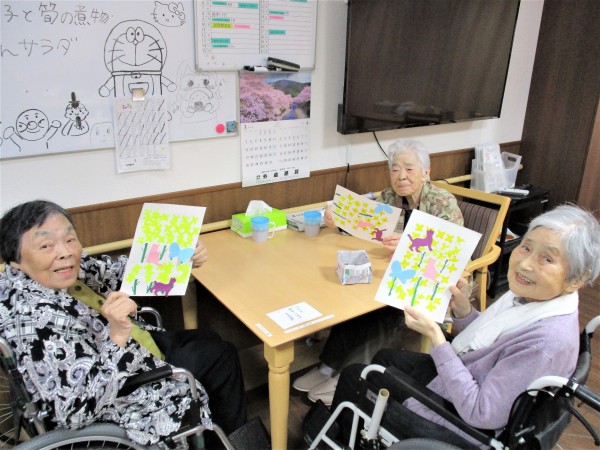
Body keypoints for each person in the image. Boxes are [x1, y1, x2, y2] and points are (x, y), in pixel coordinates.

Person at [329, 204, 600, 448]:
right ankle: (358, 428)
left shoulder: (545, 344)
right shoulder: (532, 299)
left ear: (577, 278)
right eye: (526, 247)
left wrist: (437, 338)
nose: (526, 264)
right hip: (473, 379)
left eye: (548, 259)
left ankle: (340, 439)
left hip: (466, 429)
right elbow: (493, 340)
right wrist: (463, 310)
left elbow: (481, 413)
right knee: (385, 358)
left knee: (354, 377)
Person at [0, 200, 246, 447]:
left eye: (70, 239)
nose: (65, 252)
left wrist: (182, 258)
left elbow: (123, 271)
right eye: (45, 245)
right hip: (122, 385)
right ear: (14, 259)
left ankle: (213, 430)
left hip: (134, 346)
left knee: (209, 339)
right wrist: (117, 335)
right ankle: (223, 442)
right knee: (220, 356)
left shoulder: (58, 271)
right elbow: (75, 410)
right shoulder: (31, 321)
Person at [293, 139, 464, 405]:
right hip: (394, 271)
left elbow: (452, 251)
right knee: (356, 303)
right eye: (395, 169)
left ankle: (350, 376)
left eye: (409, 169)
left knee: (382, 310)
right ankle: (328, 366)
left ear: (426, 172)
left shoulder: (443, 203)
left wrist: (409, 245)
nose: (401, 176)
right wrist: (337, 220)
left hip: (430, 282)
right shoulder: (389, 198)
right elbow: (362, 222)